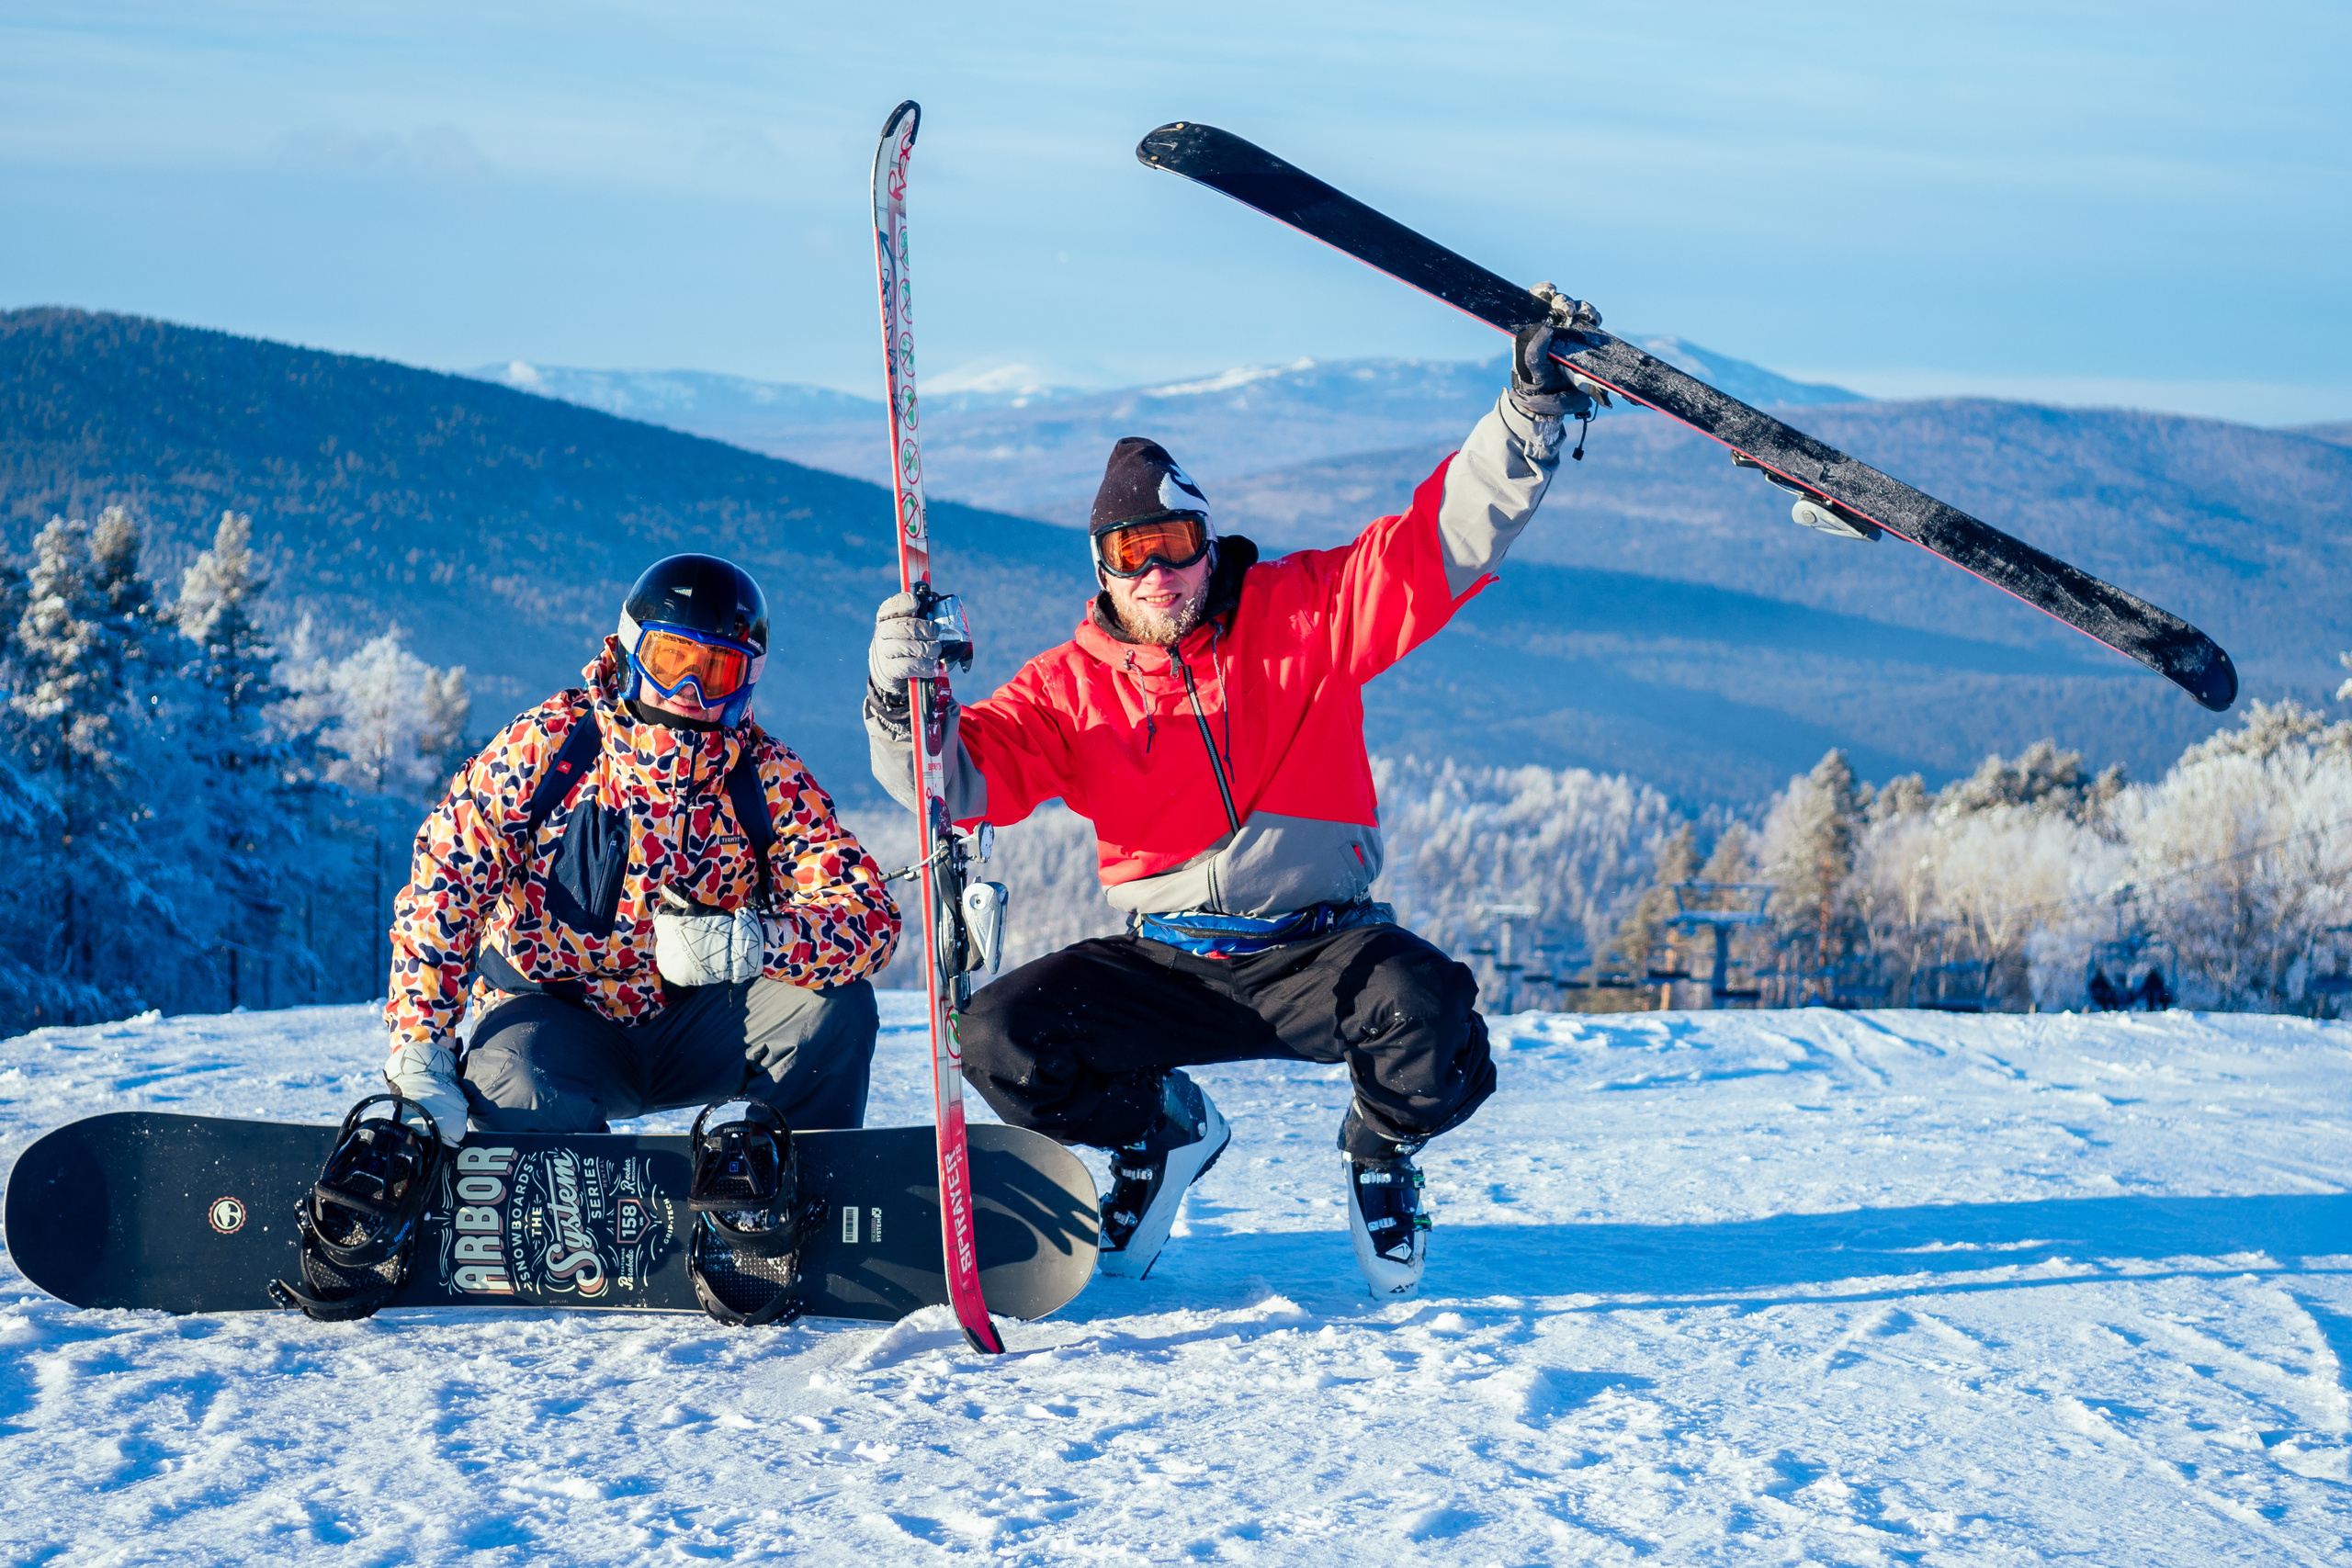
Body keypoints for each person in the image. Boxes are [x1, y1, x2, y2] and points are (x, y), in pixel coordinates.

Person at [864, 295, 1607, 1296]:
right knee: (1000, 1038)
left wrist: (1526, 418)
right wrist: (895, 699)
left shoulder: (1305, 615)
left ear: (1208, 545)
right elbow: (950, 782)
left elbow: (1442, 544)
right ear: (1102, 568)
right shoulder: (1065, 690)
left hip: (1321, 948)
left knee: (1431, 1015)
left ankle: (1381, 1152)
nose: (1160, 571)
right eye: (1133, 553)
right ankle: (1160, 1132)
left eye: (1176, 543)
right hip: (1169, 963)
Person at [381, 552, 900, 1149]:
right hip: (556, 1023)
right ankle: (563, 1206)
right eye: (671, 660)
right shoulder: (552, 748)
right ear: (632, 651)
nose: (689, 690)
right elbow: (447, 880)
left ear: (746, 681)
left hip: (699, 1024)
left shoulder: (761, 777)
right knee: (517, 1085)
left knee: (834, 1009)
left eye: (716, 671)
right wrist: (422, 1047)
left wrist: (757, 942)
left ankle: (781, 1185)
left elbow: (867, 913)